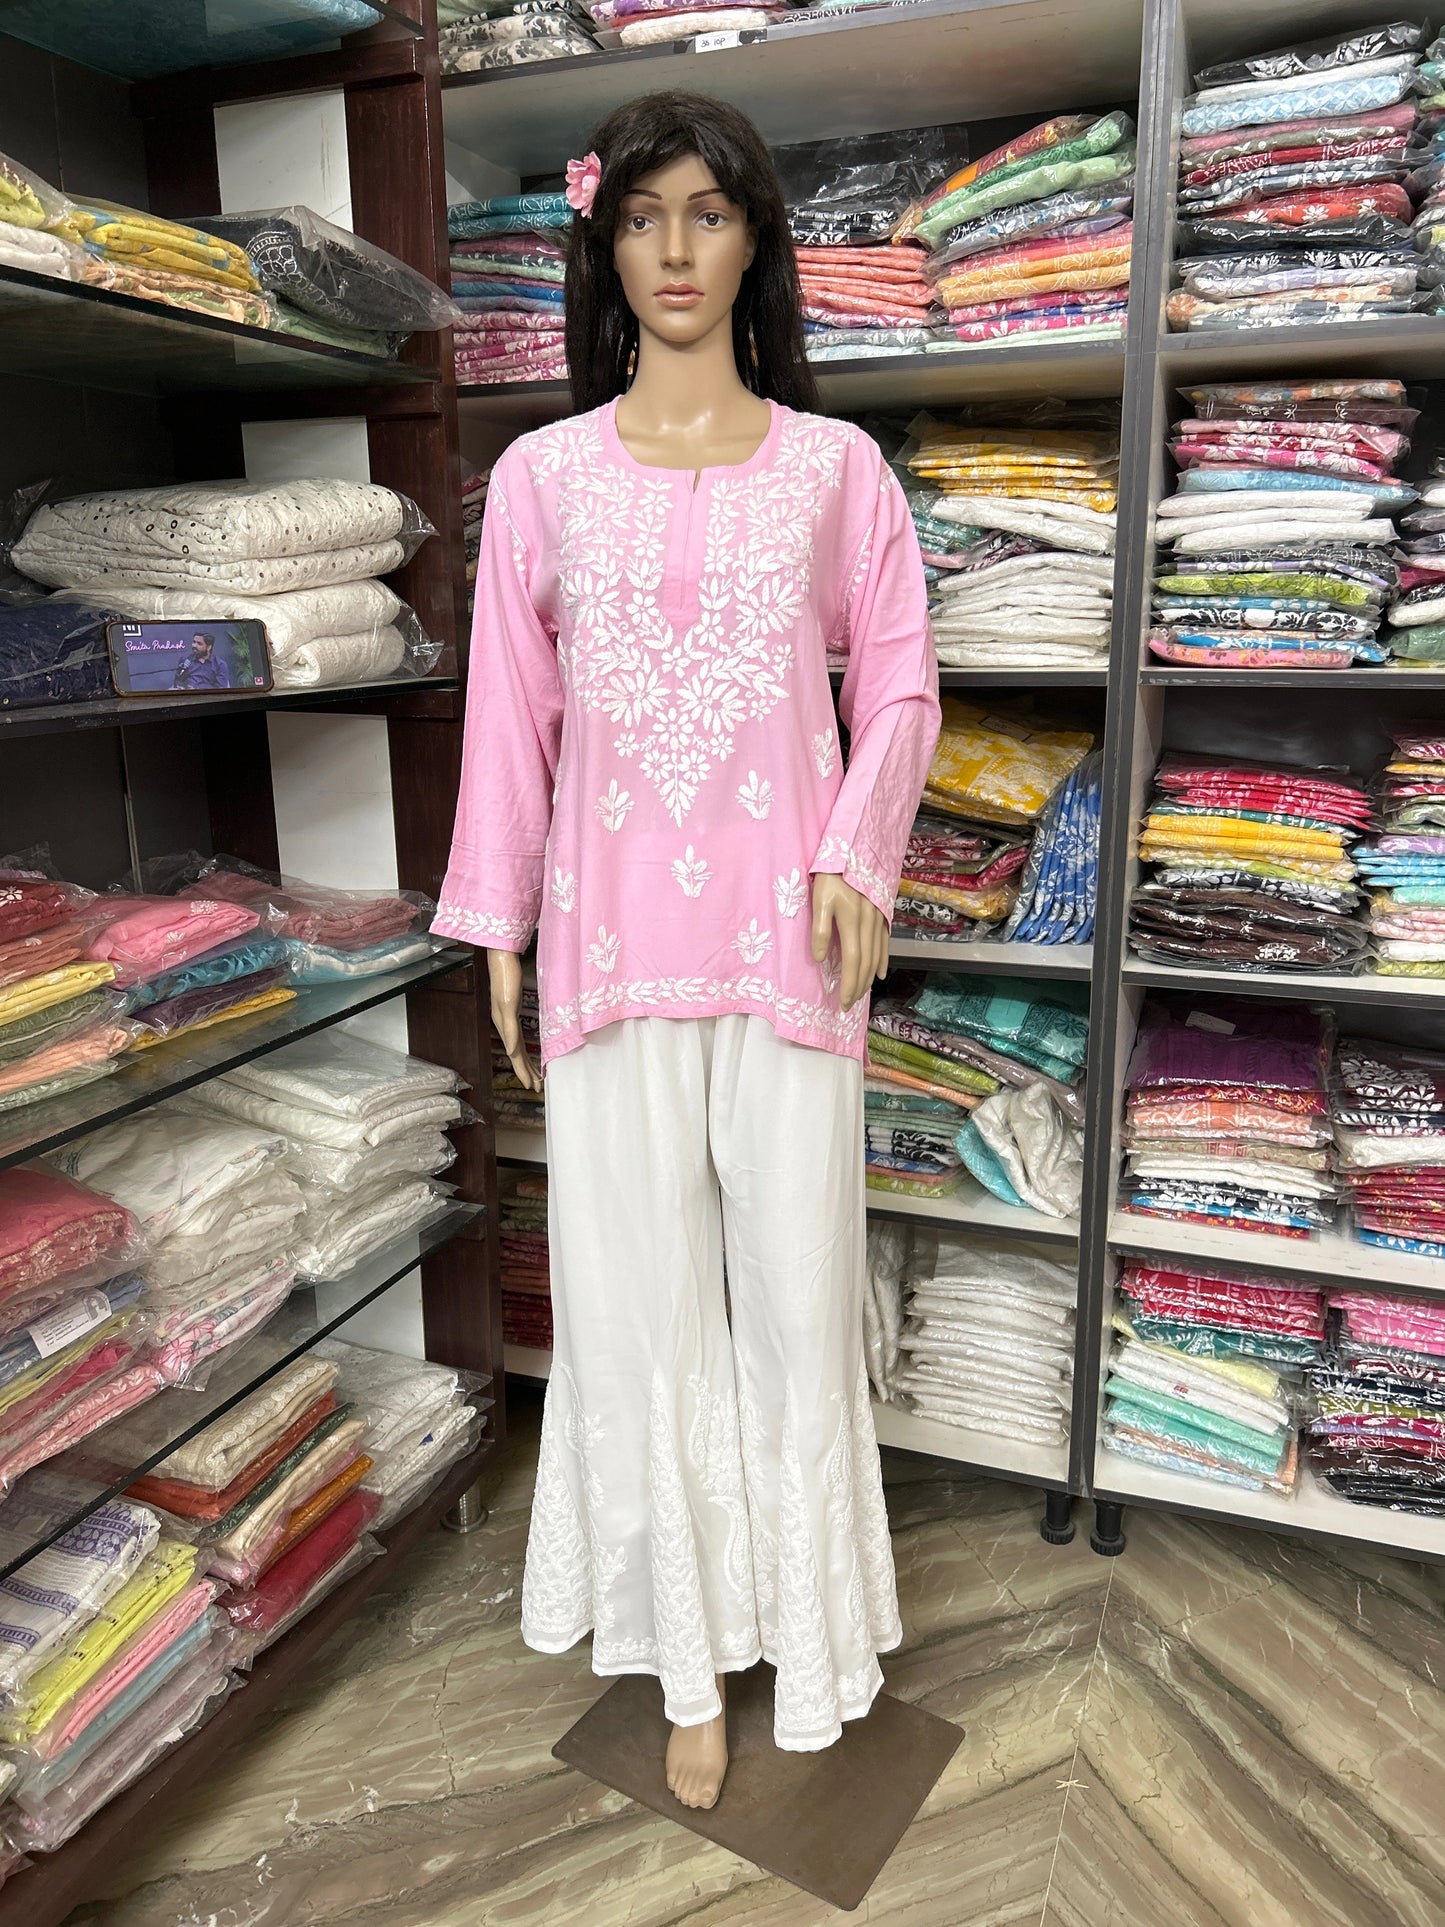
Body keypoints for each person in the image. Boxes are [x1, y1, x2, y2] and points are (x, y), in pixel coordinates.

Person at [433, 92, 939, 1811]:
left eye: (707, 213)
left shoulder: (836, 470)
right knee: (637, 1311)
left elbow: (900, 689)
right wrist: (494, 923)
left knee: (796, 1302)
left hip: (792, 950)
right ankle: (681, 1658)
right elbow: (509, 718)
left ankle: (807, 1636)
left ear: (752, 241)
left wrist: (859, 853)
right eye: (642, 215)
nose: (672, 249)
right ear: (603, 241)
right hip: (604, 954)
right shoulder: (538, 479)